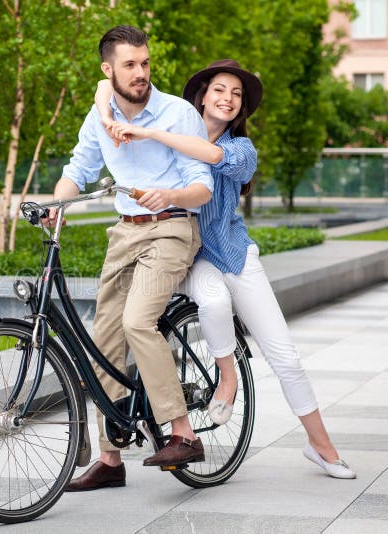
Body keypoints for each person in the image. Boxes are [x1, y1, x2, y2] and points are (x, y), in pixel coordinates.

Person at [98, 59, 357, 479]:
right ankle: (227, 377)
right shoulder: (174, 127)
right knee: (213, 303)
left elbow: (210, 153)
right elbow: (106, 82)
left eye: (236, 95)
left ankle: (321, 446)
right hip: (190, 256)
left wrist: (147, 131)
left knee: (285, 356)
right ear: (202, 95)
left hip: (234, 254)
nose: (228, 99)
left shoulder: (240, 151)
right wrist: (109, 112)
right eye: (220, 89)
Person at [49, 25, 215, 492]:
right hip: (124, 233)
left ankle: (183, 434)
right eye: (129, 65)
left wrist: (172, 194)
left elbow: (202, 185)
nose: (140, 72)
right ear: (109, 70)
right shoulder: (97, 116)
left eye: (144, 63)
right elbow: (76, 172)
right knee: (103, 339)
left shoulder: (178, 113)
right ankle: (110, 458)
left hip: (172, 227)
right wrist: (54, 205)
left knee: (138, 320)